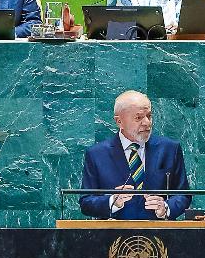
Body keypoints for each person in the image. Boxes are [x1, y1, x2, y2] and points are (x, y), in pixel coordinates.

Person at [80, 90, 191, 220]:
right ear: (119, 121)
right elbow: (86, 202)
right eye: (138, 118)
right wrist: (111, 202)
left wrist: (166, 207)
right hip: (112, 235)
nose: (147, 123)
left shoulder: (169, 149)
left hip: (160, 235)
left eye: (149, 116)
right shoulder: (97, 154)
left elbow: (183, 194)